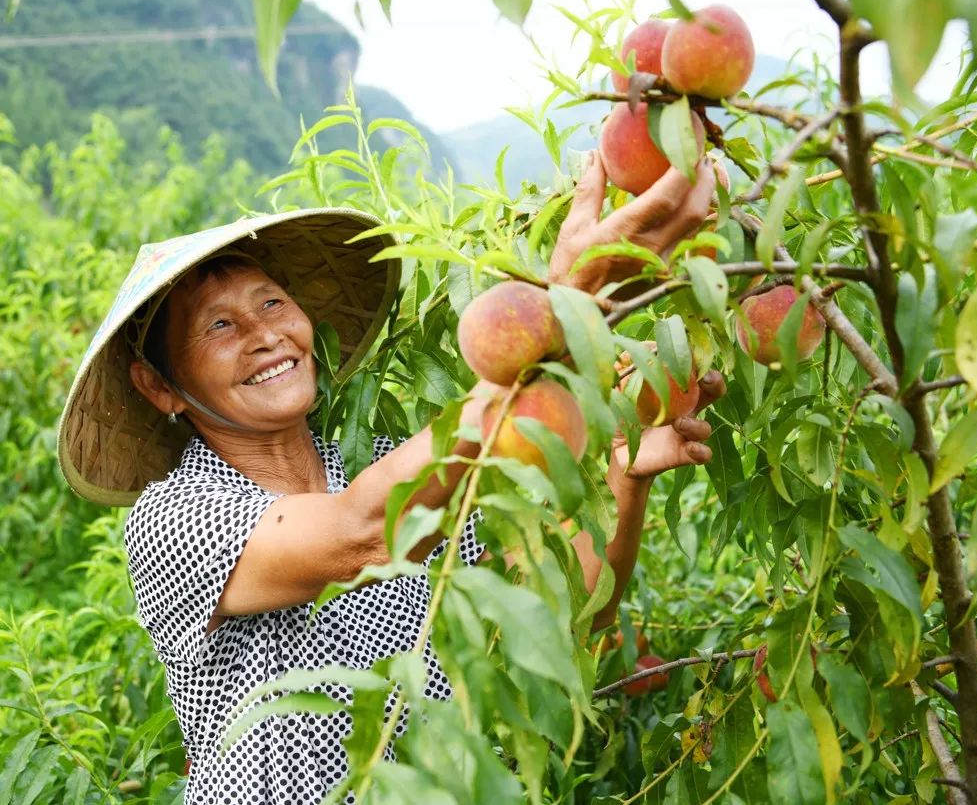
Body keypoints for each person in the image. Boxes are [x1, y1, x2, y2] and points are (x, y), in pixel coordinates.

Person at [57, 155, 724, 804]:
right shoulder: (175, 515)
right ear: (159, 386)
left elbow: (559, 613)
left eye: (272, 303)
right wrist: (556, 311)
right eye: (220, 325)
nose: (265, 335)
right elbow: (361, 533)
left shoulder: (376, 460)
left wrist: (620, 475)